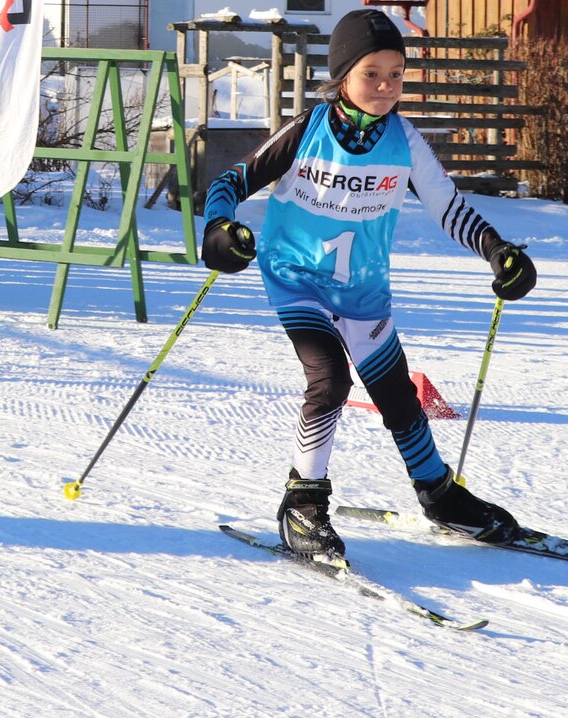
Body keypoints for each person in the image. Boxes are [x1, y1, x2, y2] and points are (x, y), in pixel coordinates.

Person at [201, 10, 538, 560]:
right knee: (329, 379)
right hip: (296, 278)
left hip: (363, 291)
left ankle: (439, 494)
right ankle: (302, 502)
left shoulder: (404, 140)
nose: (386, 86)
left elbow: (449, 209)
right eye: (371, 74)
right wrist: (220, 230)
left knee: (399, 399)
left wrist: (498, 252)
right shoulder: (309, 129)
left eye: (396, 74)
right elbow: (231, 181)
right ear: (341, 77)